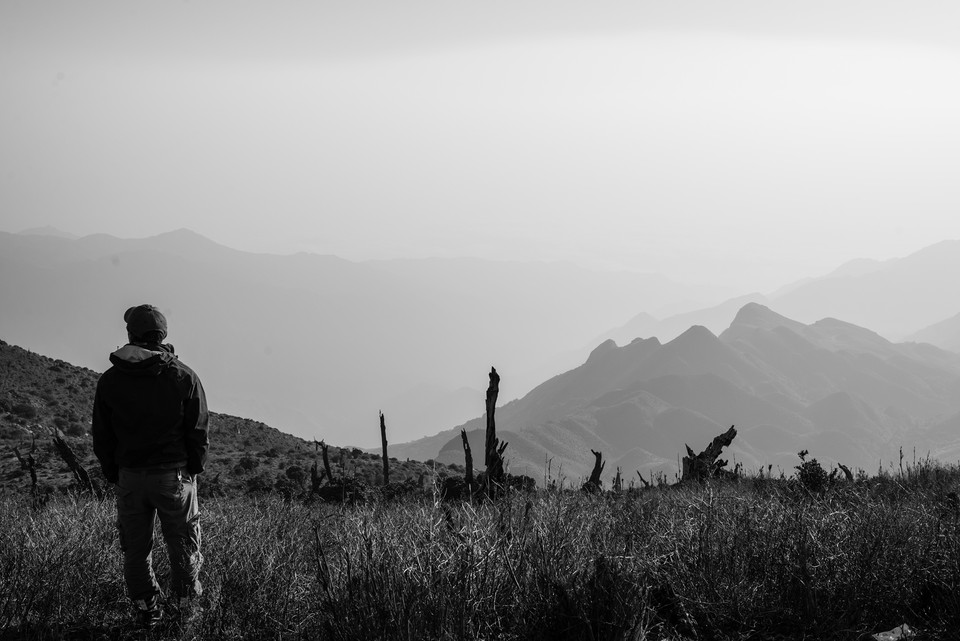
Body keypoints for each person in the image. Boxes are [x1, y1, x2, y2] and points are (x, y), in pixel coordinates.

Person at [92, 304, 208, 628]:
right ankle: (185, 610)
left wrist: (115, 473)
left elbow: (102, 435)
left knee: (135, 549)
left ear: (130, 335)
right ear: (163, 335)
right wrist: (193, 470)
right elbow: (198, 432)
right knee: (183, 544)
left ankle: (147, 611)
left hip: (130, 476)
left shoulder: (110, 381)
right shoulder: (184, 376)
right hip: (174, 477)